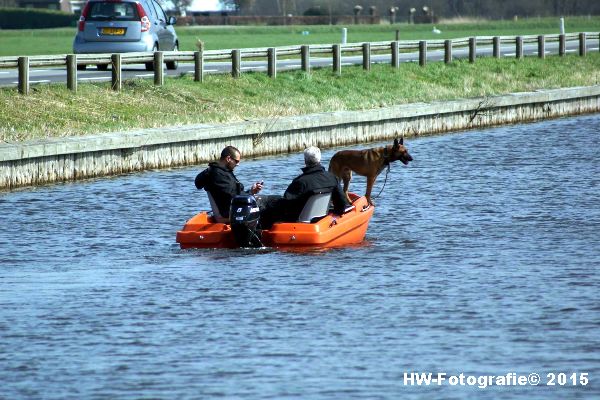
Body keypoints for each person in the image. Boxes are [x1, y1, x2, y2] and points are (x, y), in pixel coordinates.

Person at [260, 146, 351, 228]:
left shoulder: (300, 182)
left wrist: (269, 206)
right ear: (319, 160)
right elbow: (341, 204)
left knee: (266, 204)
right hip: (320, 220)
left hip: (298, 222)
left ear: (305, 161)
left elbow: (286, 204)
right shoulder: (332, 178)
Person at [194, 146, 263, 218]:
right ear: (228, 159)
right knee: (272, 205)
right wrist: (250, 196)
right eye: (236, 161)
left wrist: (251, 191)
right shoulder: (217, 174)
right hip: (233, 212)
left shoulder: (224, 172)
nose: (238, 164)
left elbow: (235, 194)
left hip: (237, 207)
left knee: (270, 202)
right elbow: (234, 197)